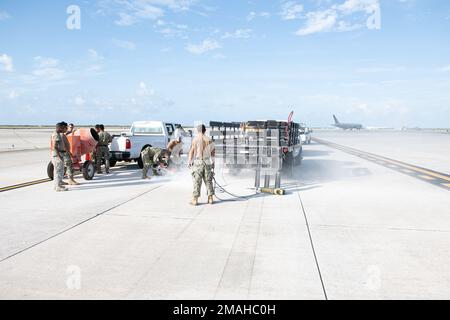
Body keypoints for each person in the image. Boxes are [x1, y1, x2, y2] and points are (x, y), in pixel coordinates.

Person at [188, 124, 215, 206]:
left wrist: (189, 161)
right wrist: (213, 163)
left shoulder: (195, 139)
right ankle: (210, 198)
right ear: (205, 130)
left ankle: (195, 199)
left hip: (198, 162)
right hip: (207, 162)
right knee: (208, 180)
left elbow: (192, 151)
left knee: (197, 181)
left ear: (197, 130)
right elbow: (213, 153)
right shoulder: (209, 139)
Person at [51, 122, 68, 192]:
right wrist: (59, 156)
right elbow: (55, 146)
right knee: (58, 171)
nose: (65, 129)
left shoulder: (57, 134)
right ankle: (58, 187)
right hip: (57, 155)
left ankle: (59, 183)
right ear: (60, 127)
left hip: (60, 154)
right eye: (64, 127)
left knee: (60, 170)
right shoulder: (56, 135)